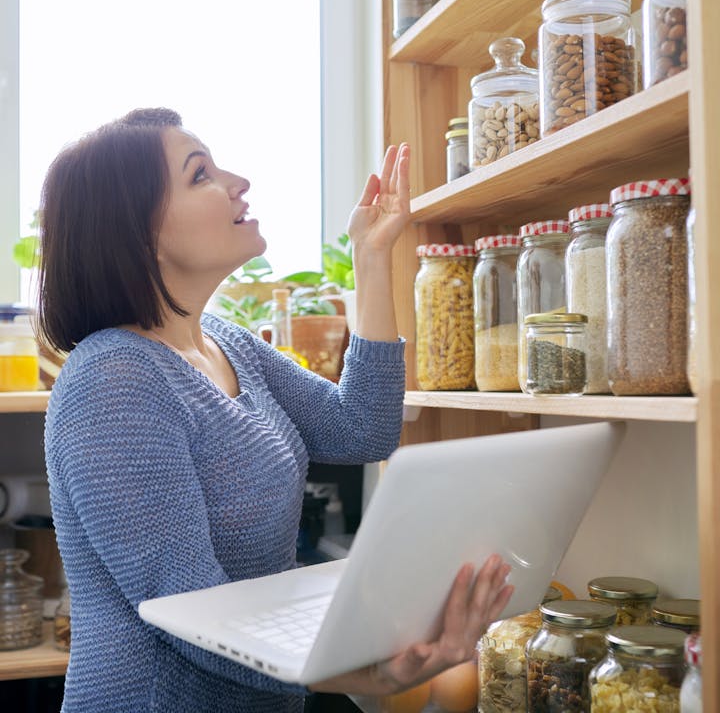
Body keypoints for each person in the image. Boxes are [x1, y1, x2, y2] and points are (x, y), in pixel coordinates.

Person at [38, 108, 513, 713]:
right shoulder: (112, 379)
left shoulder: (226, 342)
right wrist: (351, 672)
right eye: (200, 174)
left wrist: (371, 257)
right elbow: (188, 607)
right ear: (140, 235)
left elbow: (362, 428)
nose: (238, 181)